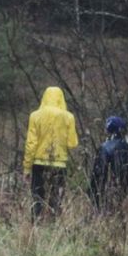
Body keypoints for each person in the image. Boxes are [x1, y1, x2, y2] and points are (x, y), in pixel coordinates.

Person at [22, 86, 79, 220]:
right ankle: (53, 227)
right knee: (56, 199)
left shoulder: (35, 116)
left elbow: (31, 144)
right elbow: (72, 143)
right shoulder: (68, 117)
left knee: (37, 197)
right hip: (59, 165)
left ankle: (36, 226)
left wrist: (26, 168)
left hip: (38, 164)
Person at [89, 116, 128, 213]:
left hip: (106, 193)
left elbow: (98, 175)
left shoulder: (105, 147)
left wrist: (92, 194)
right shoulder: (127, 147)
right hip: (122, 191)